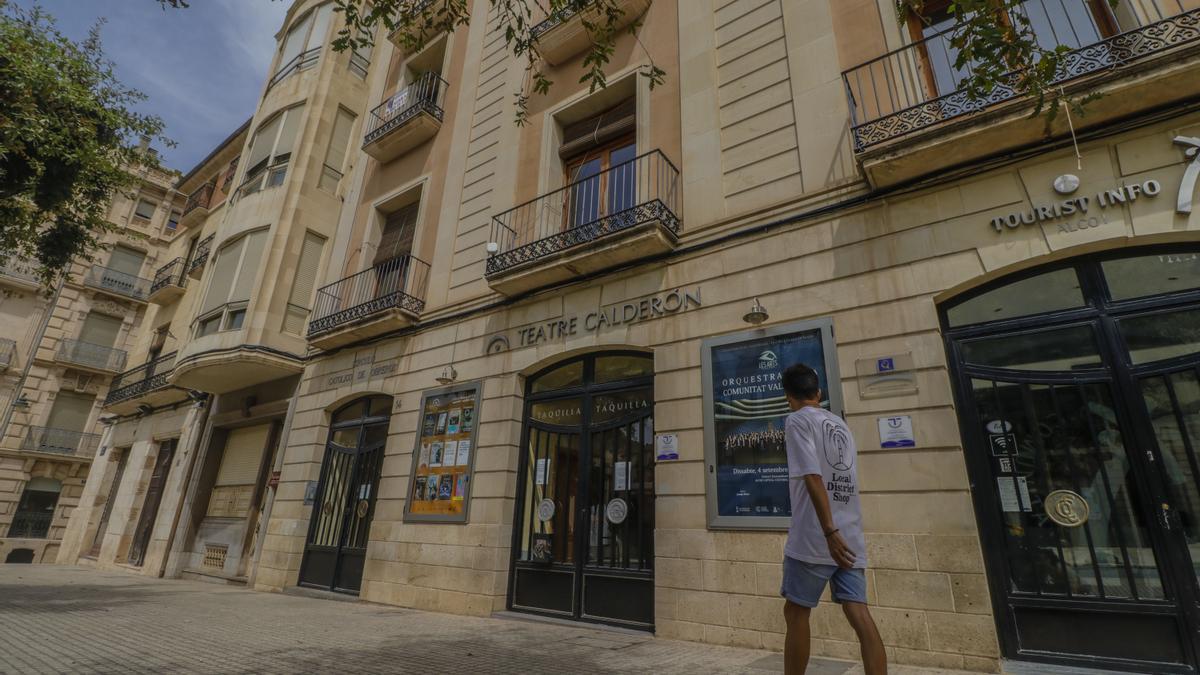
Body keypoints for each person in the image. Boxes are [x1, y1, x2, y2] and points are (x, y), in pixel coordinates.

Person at [779, 363, 886, 675]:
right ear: (819, 392)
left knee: (796, 612)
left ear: (789, 396)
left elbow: (812, 475)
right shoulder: (838, 423)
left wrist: (828, 530)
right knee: (859, 614)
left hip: (817, 536)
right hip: (850, 536)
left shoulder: (797, 421)